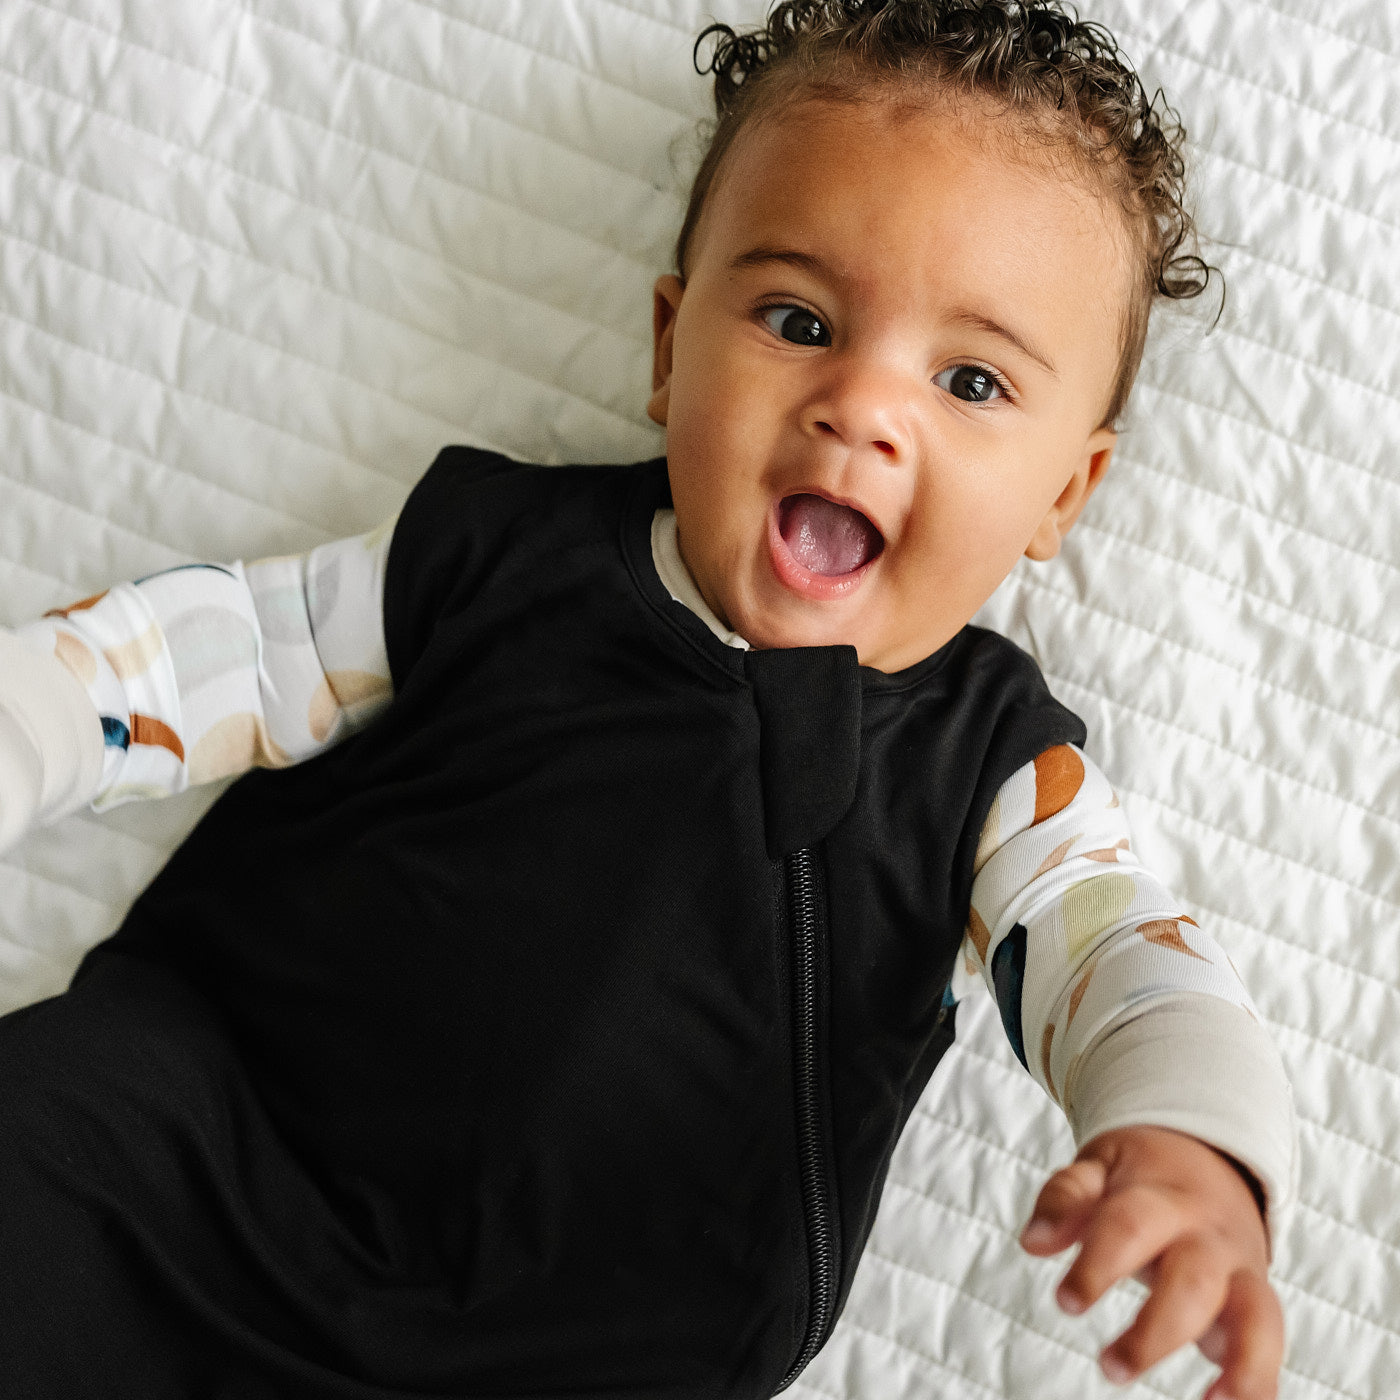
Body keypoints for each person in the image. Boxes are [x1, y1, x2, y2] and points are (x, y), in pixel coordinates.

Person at [0, 2, 1296, 1398]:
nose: (862, 403)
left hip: (588, 1345)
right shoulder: (498, 552)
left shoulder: (984, 768)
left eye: (970, 380)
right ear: (673, 348)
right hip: (182, 1164)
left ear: (1064, 493)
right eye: (799, 319)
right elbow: (196, 657)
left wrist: (1196, 1149)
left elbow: (1129, 962)